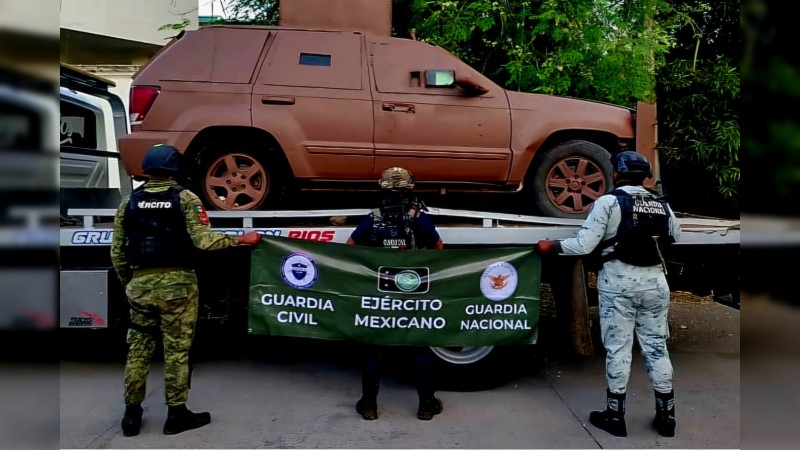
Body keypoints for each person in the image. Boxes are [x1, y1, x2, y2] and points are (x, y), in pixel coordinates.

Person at [111, 144, 262, 437]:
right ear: (174, 169)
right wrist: (240, 240)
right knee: (177, 350)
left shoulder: (128, 202)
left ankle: (131, 416)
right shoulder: (185, 198)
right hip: (177, 287)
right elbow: (203, 241)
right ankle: (176, 414)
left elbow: (117, 251)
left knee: (138, 351)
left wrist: (129, 282)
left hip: (139, 286)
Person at [535, 151, 681, 438]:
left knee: (618, 349)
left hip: (619, 284)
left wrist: (551, 247)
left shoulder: (609, 202)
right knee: (656, 348)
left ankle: (615, 417)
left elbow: (583, 245)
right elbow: (675, 235)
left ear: (616, 174)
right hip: (655, 283)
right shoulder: (660, 203)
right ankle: (667, 418)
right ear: (644, 175)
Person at [346, 167, 444, 421]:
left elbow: (351, 247)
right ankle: (426, 405)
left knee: (373, 349)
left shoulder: (373, 217)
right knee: (418, 348)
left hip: (379, 293)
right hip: (411, 292)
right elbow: (438, 248)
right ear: (411, 188)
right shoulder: (418, 217)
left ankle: (369, 406)